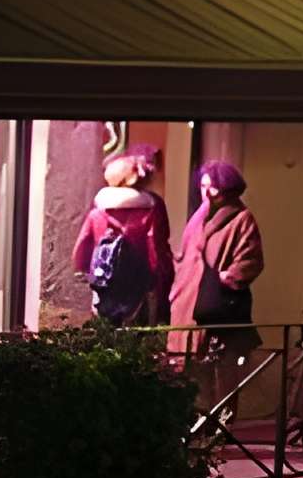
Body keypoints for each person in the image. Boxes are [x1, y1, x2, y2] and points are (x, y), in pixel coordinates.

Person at [171, 160, 264, 355]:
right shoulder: (199, 216)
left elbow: (251, 260)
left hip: (215, 301)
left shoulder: (241, 218)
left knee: (214, 359)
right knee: (183, 353)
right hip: (187, 297)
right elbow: (189, 252)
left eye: (212, 186)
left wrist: (224, 278)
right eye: (203, 186)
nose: (207, 192)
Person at [72, 152, 172, 323]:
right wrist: (160, 278)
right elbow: (155, 249)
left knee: (106, 335)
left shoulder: (98, 212)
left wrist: (85, 272)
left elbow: (81, 249)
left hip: (105, 284)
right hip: (138, 284)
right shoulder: (150, 209)